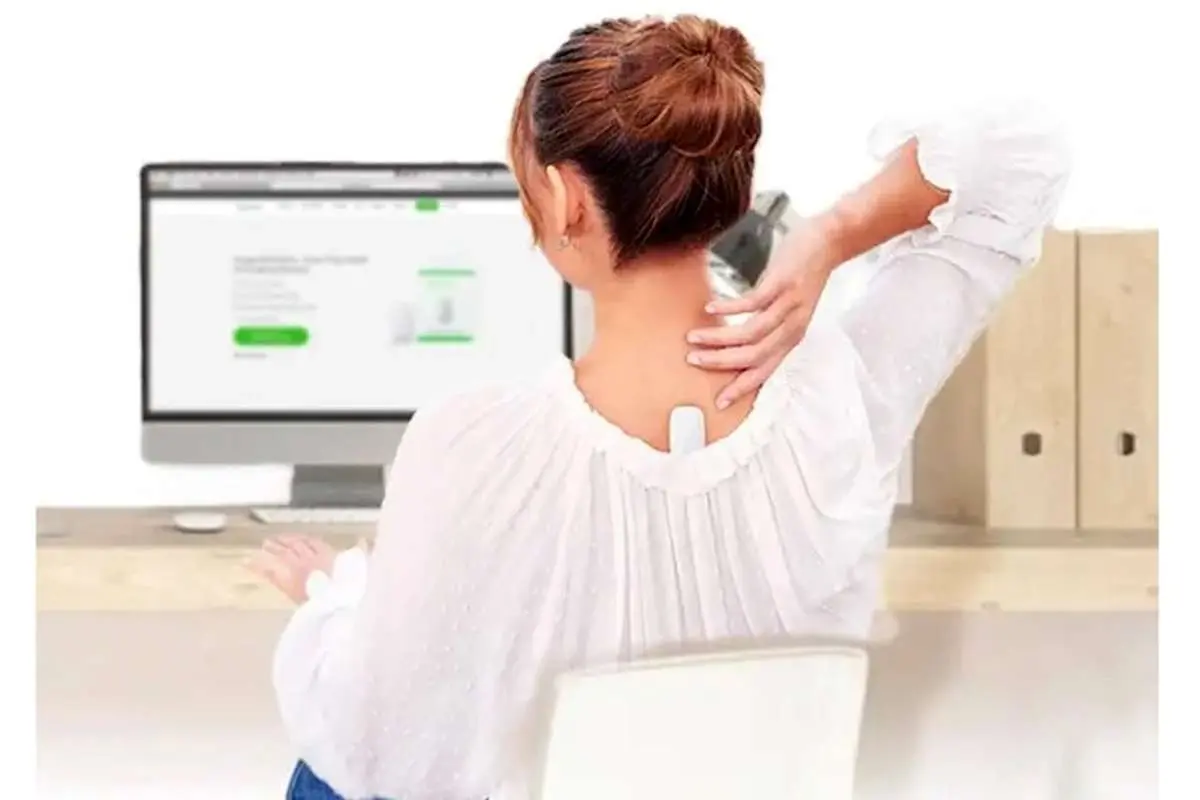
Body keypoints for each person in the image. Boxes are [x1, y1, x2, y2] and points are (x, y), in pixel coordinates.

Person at [250, 13, 1071, 800]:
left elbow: (384, 746)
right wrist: (828, 236)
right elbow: (1023, 154)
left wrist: (336, 595)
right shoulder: (839, 400)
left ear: (565, 199)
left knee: (343, 771)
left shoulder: (475, 444)